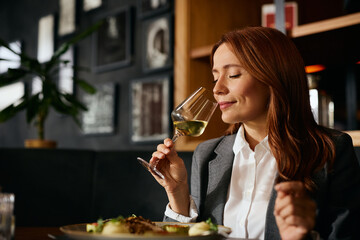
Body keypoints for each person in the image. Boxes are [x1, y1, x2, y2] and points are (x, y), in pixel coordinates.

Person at [149, 26, 360, 240]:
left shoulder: (331, 150)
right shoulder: (207, 154)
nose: (217, 89)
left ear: (273, 77)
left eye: (233, 74)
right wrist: (178, 195)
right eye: (215, 78)